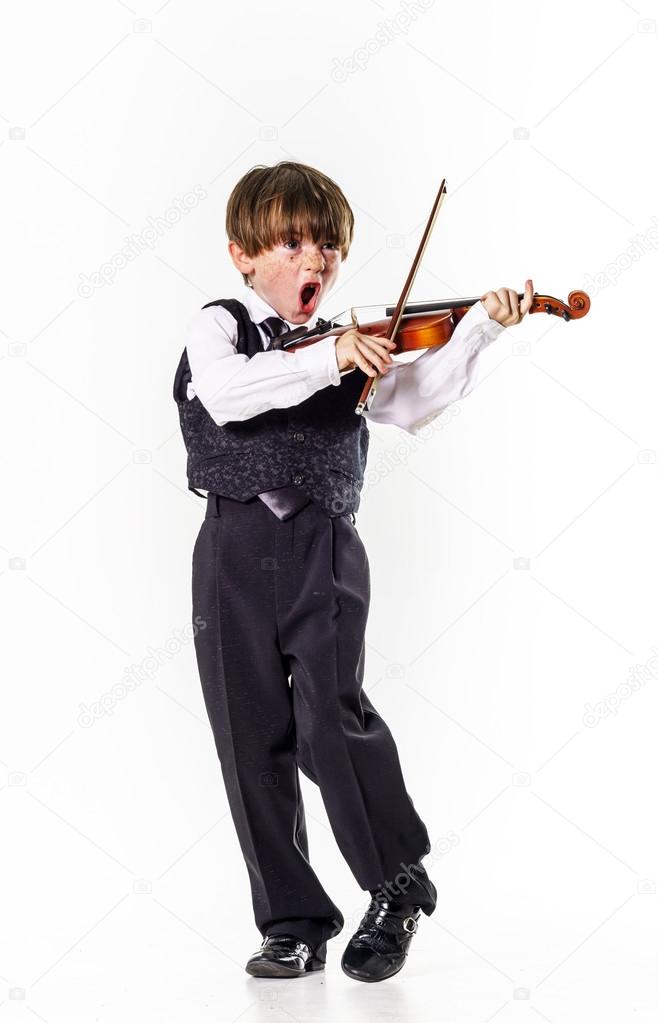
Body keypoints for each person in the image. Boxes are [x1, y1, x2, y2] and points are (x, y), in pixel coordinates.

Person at [173, 160, 533, 983]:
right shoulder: (219, 326)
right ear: (244, 254)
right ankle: (293, 920)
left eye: (328, 246)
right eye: (294, 243)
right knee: (246, 735)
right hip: (228, 548)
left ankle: (396, 882)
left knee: (332, 718)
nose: (316, 260)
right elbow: (227, 396)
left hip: (321, 547)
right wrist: (328, 354)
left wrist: (480, 326)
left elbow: (413, 400)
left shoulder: (354, 346)